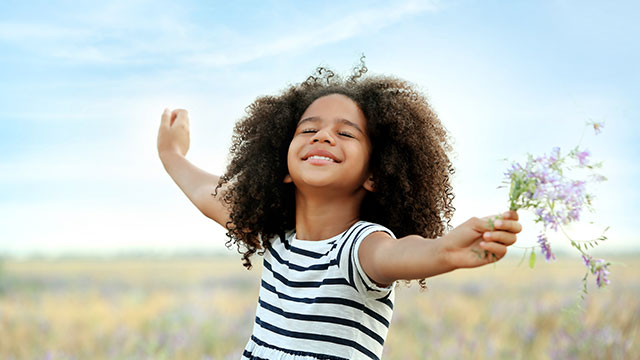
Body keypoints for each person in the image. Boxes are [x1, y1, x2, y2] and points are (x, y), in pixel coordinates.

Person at [157, 63, 522, 360]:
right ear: (282, 167)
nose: (323, 136)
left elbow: (397, 254)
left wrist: (444, 251)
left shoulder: (357, 248)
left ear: (376, 175)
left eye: (346, 134)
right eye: (308, 129)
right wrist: (172, 155)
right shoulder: (278, 239)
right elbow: (210, 195)